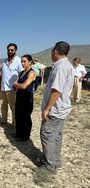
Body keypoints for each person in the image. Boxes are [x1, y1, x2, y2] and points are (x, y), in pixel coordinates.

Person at [40, 41, 74, 174]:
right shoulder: (67, 65)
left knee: (47, 135)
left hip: (55, 109)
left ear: (55, 51)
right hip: (61, 109)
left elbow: (56, 91)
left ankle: (50, 166)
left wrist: (47, 109)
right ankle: (55, 160)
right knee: (56, 135)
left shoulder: (60, 67)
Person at [0, 43, 23, 125]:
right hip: (3, 88)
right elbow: (2, 74)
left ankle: (15, 124)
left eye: (12, 50)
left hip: (12, 89)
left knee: (14, 108)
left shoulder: (19, 61)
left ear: (15, 51)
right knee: (3, 106)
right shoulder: (4, 61)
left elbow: (21, 74)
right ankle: (4, 120)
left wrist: (17, 85)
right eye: (8, 50)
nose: (10, 51)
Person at [13, 54, 36, 142]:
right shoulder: (21, 72)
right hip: (19, 96)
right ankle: (18, 134)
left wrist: (17, 85)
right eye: (21, 61)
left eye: (24, 61)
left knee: (25, 117)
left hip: (27, 98)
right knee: (18, 115)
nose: (22, 63)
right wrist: (18, 85)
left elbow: (24, 86)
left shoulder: (32, 72)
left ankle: (25, 137)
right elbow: (15, 83)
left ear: (30, 62)